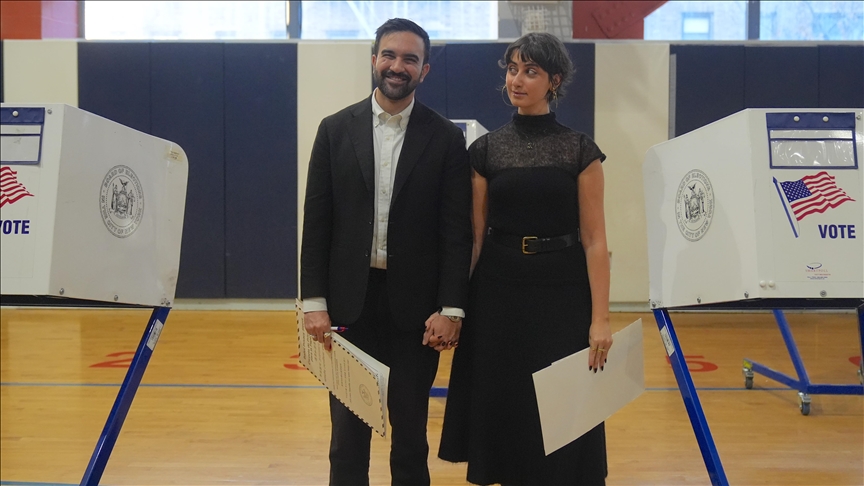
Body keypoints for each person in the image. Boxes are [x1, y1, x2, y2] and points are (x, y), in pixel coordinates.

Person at [300, 18, 473, 486]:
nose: (399, 66)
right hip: (348, 309)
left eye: (410, 59)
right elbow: (317, 224)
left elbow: (456, 232)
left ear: (425, 69)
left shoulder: (445, 138)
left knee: (411, 439)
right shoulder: (334, 130)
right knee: (347, 441)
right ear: (374, 59)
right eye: (390, 55)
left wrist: (452, 307)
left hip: (416, 314)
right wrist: (313, 302)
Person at [438, 32, 613, 485]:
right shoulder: (485, 150)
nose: (518, 80)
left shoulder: (580, 150)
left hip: (562, 292)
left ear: (553, 81)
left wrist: (600, 320)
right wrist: (456, 306)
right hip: (498, 293)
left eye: (530, 71)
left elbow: (595, 239)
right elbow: (474, 240)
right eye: (513, 69)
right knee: (506, 404)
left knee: (562, 407)